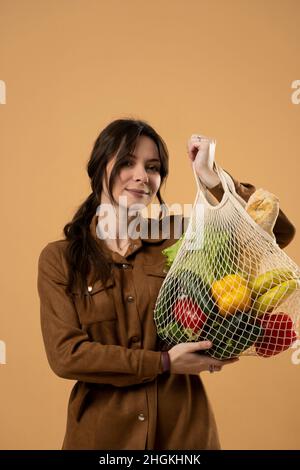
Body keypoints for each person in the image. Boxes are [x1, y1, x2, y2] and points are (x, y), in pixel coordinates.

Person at [37, 118, 296, 450]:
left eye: (153, 167)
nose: (143, 176)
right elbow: (67, 356)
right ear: (100, 167)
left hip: (185, 437)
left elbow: (278, 233)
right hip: (102, 439)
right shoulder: (60, 259)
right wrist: (164, 362)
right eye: (127, 162)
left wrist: (212, 178)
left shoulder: (181, 236)